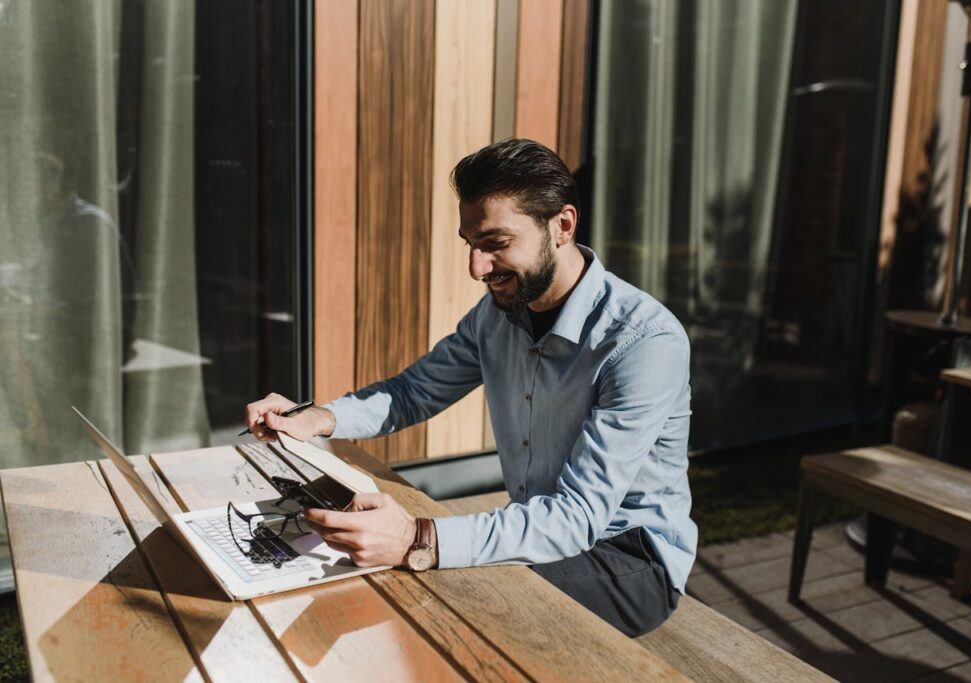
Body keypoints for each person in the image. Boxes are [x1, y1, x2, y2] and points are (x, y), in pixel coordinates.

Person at [245, 139, 697, 637]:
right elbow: (413, 392)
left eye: (496, 243)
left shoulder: (642, 341)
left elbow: (577, 517)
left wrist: (417, 536)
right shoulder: (497, 314)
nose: (477, 268)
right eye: (471, 245)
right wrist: (316, 418)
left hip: (628, 558)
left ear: (562, 226)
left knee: (445, 608)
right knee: (386, 584)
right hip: (540, 531)